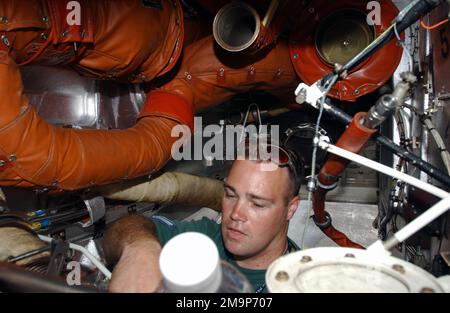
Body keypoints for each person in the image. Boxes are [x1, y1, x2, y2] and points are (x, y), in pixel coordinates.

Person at [102, 140, 303, 293]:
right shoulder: (206, 238)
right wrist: (140, 250)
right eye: (230, 195)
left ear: (291, 209)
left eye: (257, 204)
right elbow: (124, 227)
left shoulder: (304, 283)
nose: (235, 214)